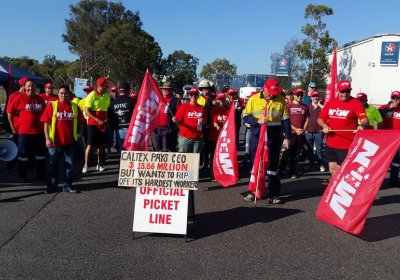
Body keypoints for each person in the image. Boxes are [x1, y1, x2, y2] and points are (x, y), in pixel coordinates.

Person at [242, 78, 291, 204]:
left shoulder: (281, 99)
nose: (271, 94)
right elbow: (246, 117)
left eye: (274, 92)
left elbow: (285, 120)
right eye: (269, 91)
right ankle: (255, 192)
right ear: (263, 88)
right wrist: (257, 121)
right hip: (257, 137)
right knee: (256, 165)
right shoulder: (253, 99)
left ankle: (273, 194)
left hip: (274, 137)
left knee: (272, 167)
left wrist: (287, 138)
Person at [317, 80, 368, 178]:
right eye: (342, 91)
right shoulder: (331, 102)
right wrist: (324, 126)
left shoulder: (356, 103)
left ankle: (341, 190)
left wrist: (362, 125)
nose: (345, 94)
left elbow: (365, 120)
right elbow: (320, 119)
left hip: (346, 145)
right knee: (332, 169)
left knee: (342, 172)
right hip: (330, 143)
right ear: (338, 91)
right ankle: (334, 189)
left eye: (347, 91)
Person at [40, 85, 85, 193]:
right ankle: (51, 187)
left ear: (69, 95)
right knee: (52, 166)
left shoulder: (74, 106)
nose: (63, 95)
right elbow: (46, 123)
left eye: (65, 93)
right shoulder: (52, 106)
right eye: (61, 93)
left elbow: (82, 122)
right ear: (58, 95)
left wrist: (79, 135)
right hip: (54, 142)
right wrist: (47, 139)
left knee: (69, 166)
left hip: (70, 142)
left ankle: (67, 186)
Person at [6, 79, 46, 181]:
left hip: (39, 132)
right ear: (24, 87)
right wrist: (12, 127)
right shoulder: (18, 98)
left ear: (35, 88)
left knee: (40, 155)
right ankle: (22, 175)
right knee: (23, 155)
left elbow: (46, 114)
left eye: (32, 87)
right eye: (28, 86)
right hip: (24, 132)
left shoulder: (40, 99)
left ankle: (40, 174)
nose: (30, 89)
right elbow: (9, 113)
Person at [82, 77, 111, 173]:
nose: (106, 88)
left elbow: (107, 110)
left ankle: (100, 164)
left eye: (106, 86)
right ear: (99, 85)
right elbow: (87, 111)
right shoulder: (91, 95)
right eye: (104, 86)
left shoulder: (107, 96)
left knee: (101, 145)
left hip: (103, 125)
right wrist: (97, 120)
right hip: (92, 124)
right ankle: (86, 165)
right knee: (89, 145)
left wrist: (106, 119)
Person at [279, 88, 309, 178]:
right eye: (297, 95)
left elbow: (307, 119)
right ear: (294, 96)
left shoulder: (305, 107)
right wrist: (295, 129)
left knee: (296, 154)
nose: (299, 97)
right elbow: (286, 121)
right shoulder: (289, 106)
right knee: (285, 153)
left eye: (301, 95)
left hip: (300, 134)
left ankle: (293, 171)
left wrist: (303, 129)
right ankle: (281, 170)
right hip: (290, 134)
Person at [173, 88, 206, 153]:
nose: (193, 96)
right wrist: (175, 119)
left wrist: (203, 121)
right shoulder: (183, 107)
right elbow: (178, 120)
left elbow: (205, 122)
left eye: (195, 95)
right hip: (185, 137)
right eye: (191, 95)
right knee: (184, 160)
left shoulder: (201, 108)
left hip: (197, 138)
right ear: (189, 96)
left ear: (198, 96)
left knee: (195, 160)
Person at [378, 91, 400, 187]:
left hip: (397, 139)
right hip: (384, 139)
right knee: (381, 161)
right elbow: (377, 118)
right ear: (391, 98)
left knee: (396, 161)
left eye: (397, 98)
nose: (395, 100)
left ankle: (393, 181)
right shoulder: (383, 108)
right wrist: (388, 108)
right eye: (394, 98)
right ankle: (377, 182)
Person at [151, 81, 179, 152]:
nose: (165, 90)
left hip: (168, 129)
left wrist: (176, 118)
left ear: (171, 90)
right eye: (163, 89)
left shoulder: (175, 100)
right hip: (155, 129)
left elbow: (180, 113)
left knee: (167, 151)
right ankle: (156, 163)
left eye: (167, 89)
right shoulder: (156, 99)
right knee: (156, 151)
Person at [108, 81, 136, 151]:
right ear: (128, 90)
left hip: (119, 129)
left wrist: (115, 127)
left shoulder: (113, 103)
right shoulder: (133, 101)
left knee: (122, 152)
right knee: (131, 151)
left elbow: (110, 117)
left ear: (119, 91)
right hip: (131, 130)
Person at [208, 92, 230, 181]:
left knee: (224, 156)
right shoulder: (214, 110)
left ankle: (224, 173)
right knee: (213, 156)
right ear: (217, 100)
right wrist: (217, 126)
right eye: (219, 99)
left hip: (224, 137)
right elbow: (213, 121)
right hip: (214, 136)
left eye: (222, 99)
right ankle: (213, 174)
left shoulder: (228, 110)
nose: (221, 101)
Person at [305, 91, 325, 172]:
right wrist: (305, 129)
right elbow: (305, 119)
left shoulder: (321, 107)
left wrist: (320, 104)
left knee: (319, 150)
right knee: (309, 150)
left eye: (317, 96)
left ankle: (321, 164)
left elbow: (326, 111)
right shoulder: (308, 107)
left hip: (319, 132)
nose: (315, 98)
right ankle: (311, 164)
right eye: (313, 96)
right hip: (309, 132)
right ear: (311, 97)